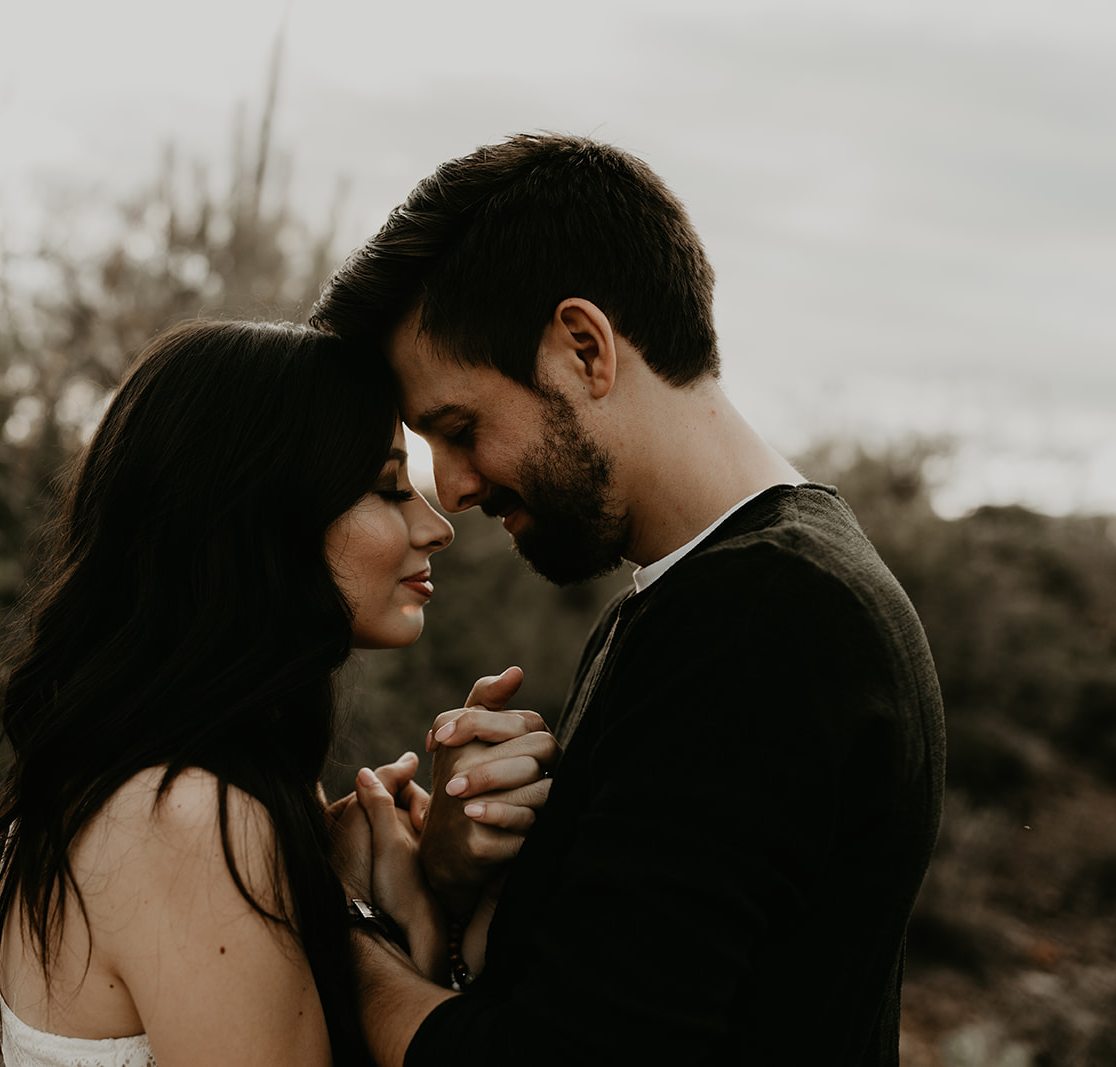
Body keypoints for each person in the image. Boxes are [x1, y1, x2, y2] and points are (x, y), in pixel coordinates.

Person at [313, 134, 948, 1066]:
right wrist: (460, 878)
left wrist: (333, 925)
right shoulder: (695, 599)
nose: (450, 489)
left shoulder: (770, 620)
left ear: (584, 347)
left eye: (460, 427)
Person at [0, 320, 547, 1067]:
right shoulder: (184, 818)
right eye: (389, 486)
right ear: (261, 516)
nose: (436, 525)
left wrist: (437, 887)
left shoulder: (161, 783)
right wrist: (356, 915)